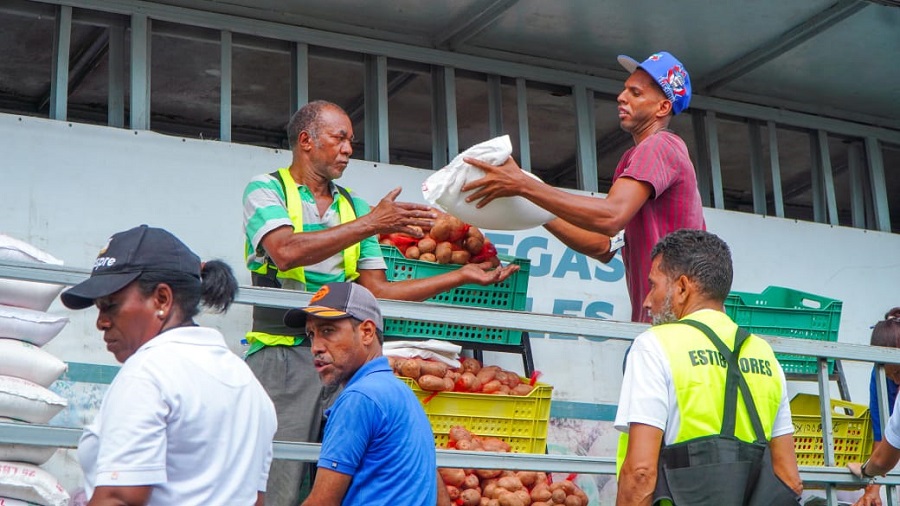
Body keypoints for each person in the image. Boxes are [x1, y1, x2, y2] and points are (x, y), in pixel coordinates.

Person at [242, 100, 518, 505]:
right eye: (340, 138)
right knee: (279, 476)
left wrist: (459, 276)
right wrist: (372, 222)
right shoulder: (266, 189)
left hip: (340, 358)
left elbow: (378, 291)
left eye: (351, 141)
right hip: (280, 355)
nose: (348, 149)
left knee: (335, 479)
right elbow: (285, 251)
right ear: (306, 141)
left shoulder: (352, 207)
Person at [462, 51, 705, 323]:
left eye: (635, 93)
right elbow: (603, 246)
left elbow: (612, 215)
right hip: (659, 324)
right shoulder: (636, 157)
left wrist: (525, 185)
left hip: (679, 326)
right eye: (625, 89)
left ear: (662, 108)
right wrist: (531, 203)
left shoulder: (659, 145)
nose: (621, 97)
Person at [60, 225, 277, 506]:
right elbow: (255, 500)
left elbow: (119, 498)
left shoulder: (147, 373)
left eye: (110, 305)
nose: (100, 322)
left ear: (162, 299)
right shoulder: (247, 383)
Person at [614, 229, 802, 505]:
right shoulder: (764, 354)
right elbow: (788, 478)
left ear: (682, 287)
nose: (646, 301)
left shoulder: (654, 345)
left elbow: (641, 473)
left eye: (653, 285)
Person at [282, 282, 447, 506]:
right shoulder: (402, 394)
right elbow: (441, 499)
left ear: (367, 332)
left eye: (328, 331)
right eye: (312, 334)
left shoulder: (360, 398)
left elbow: (322, 502)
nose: (316, 347)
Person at [847, 309, 900, 506]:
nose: (895, 380)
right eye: (890, 375)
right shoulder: (881, 375)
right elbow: (883, 433)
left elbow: (881, 461)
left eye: (898, 372)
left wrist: (865, 470)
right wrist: (872, 488)